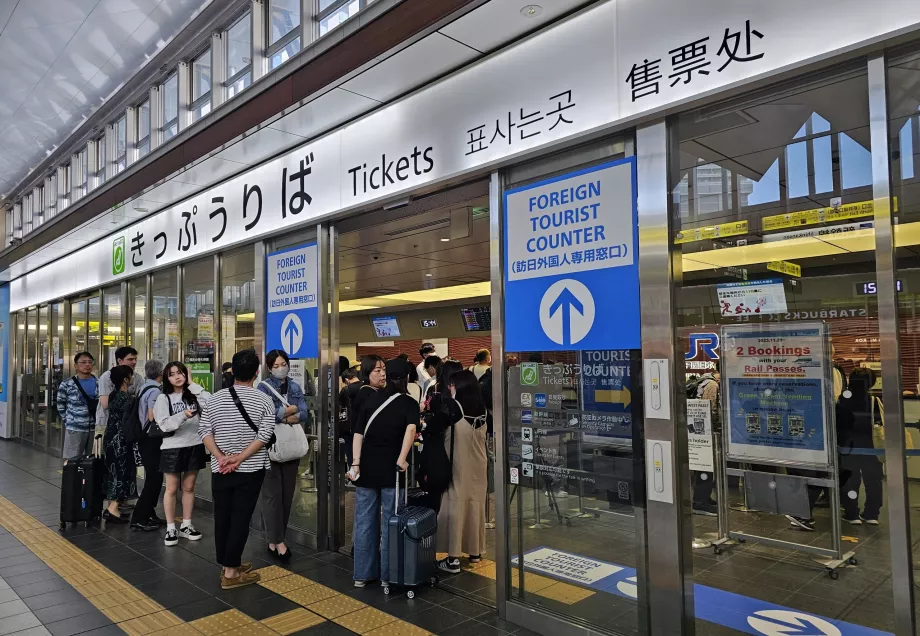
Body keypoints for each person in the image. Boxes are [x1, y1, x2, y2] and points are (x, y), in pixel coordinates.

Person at [199, 348, 274, 590]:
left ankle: (228, 563)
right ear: (256, 372)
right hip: (250, 468)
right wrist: (240, 458)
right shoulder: (264, 400)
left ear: (232, 371)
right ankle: (231, 573)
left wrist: (221, 457)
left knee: (223, 516)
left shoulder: (215, 398)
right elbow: (264, 435)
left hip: (220, 468)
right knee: (240, 518)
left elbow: (204, 431)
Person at [348, 358, 419, 587]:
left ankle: (361, 574)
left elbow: (358, 432)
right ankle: (387, 576)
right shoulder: (409, 403)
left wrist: (356, 463)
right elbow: (410, 430)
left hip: (367, 468)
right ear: (406, 378)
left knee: (364, 522)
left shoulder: (371, 398)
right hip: (391, 470)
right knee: (391, 521)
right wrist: (401, 460)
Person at [258, 349, 311, 562]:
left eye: (284, 364)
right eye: (276, 365)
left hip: (291, 449)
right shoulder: (263, 387)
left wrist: (284, 414)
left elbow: (305, 412)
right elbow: (267, 414)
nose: (281, 368)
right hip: (270, 448)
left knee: (287, 496)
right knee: (272, 497)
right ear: (269, 368)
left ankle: (276, 538)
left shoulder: (295, 386)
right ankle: (276, 540)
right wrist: (290, 412)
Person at [436, 370, 488, 574]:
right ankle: (475, 552)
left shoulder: (452, 407)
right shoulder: (482, 410)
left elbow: (435, 429)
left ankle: (453, 559)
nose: (449, 388)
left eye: (452, 385)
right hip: (479, 464)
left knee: (456, 505)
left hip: (458, 463)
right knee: (476, 505)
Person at [156, 361, 211, 546]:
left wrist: (193, 384)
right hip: (172, 446)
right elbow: (164, 424)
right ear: (167, 377)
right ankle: (171, 527)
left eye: (180, 373)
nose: (177, 377)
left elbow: (210, 404)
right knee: (171, 488)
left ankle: (186, 525)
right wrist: (183, 416)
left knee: (189, 487)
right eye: (172, 374)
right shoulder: (163, 398)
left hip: (194, 444)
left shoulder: (193, 394)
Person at [836, 367, 883, 525]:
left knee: (851, 480)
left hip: (849, 446)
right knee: (873, 481)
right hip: (871, 446)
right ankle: (871, 514)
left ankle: (852, 513)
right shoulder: (873, 400)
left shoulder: (843, 399)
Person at [131, 360, 166, 531]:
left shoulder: (143, 387)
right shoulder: (155, 391)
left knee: (155, 477)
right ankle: (139, 517)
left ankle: (150, 513)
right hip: (151, 439)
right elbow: (153, 417)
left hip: (145, 438)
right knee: (153, 479)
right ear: (161, 373)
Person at [101, 365, 138, 524]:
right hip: (121, 440)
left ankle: (111, 507)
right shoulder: (127, 399)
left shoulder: (113, 395)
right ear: (125, 379)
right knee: (122, 473)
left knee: (113, 472)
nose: (133, 378)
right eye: (131, 375)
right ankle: (113, 508)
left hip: (110, 437)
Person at [58, 351, 99, 463]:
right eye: (83, 362)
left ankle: (89, 481)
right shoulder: (67, 384)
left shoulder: (98, 383)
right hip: (75, 428)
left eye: (90, 362)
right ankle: (71, 480)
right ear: (76, 366)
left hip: (94, 428)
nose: (87, 365)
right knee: (72, 459)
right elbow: (61, 405)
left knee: (93, 459)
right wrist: (69, 421)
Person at [96, 346, 145, 434]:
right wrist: (129, 397)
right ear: (119, 361)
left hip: (128, 423)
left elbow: (141, 401)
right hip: (107, 423)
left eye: (135, 359)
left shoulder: (138, 377)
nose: (134, 362)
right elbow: (105, 404)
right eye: (130, 359)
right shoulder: (107, 377)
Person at [692, 367, 720, 516]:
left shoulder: (703, 381)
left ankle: (704, 498)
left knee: (704, 466)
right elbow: (710, 408)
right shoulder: (712, 384)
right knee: (706, 467)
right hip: (706, 431)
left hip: (699, 431)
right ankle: (700, 502)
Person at [339, 367, 361, 466]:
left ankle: (353, 478)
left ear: (347, 380)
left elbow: (340, 408)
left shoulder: (346, 390)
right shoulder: (366, 387)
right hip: (363, 427)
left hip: (349, 428)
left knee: (351, 455)